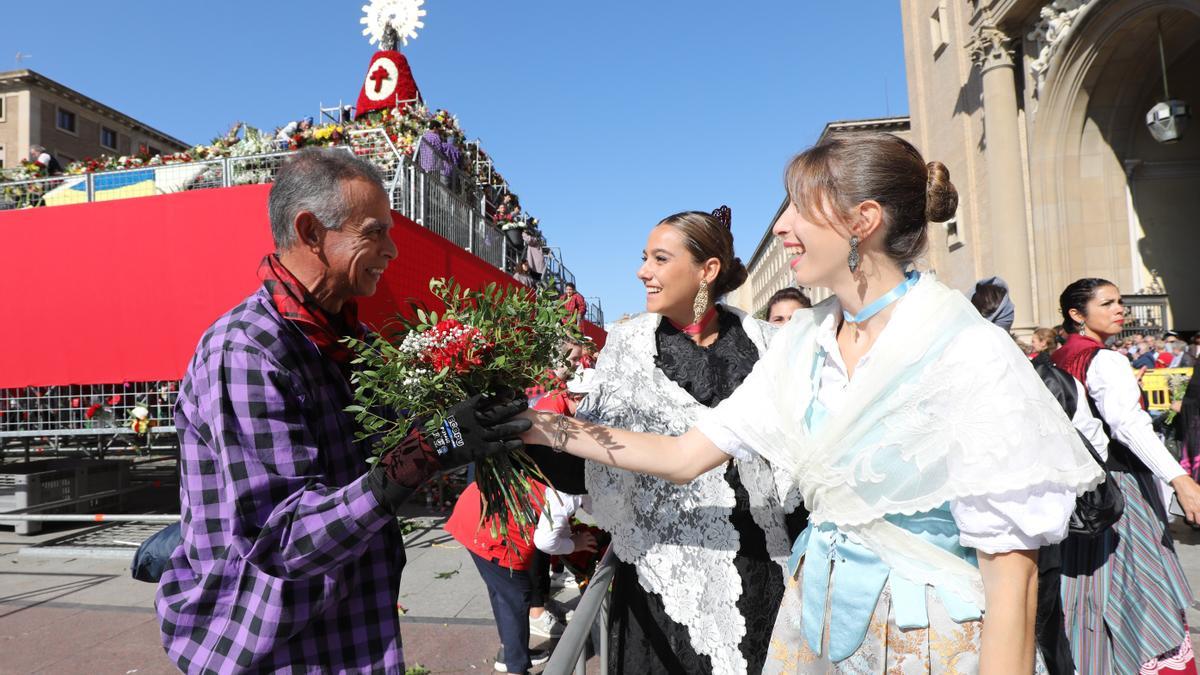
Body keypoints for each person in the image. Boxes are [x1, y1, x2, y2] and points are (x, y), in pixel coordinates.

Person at [518, 133, 1102, 673]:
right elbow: (683, 456)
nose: (781, 228)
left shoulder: (967, 349)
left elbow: (1013, 584)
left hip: (927, 643)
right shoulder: (803, 343)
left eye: (799, 208)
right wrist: (534, 425)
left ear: (862, 222)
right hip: (817, 632)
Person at [155, 148, 530, 673]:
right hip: (273, 645)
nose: (393, 250)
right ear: (310, 232)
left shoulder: (354, 340)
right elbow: (283, 540)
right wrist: (416, 460)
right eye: (375, 232)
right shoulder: (248, 350)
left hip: (350, 630)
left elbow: (395, 446)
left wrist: (467, 403)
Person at [573, 206, 798, 674]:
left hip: (758, 569)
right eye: (644, 258)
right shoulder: (627, 346)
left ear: (707, 270)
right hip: (662, 580)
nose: (642, 272)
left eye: (658, 259)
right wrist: (529, 436)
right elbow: (593, 462)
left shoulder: (767, 342)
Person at [1052, 278, 1200, 675]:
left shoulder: (1055, 359)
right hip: (1121, 491)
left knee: (1086, 591)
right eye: (1108, 303)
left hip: (1079, 496)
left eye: (1120, 302)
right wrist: (1179, 479)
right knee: (1138, 588)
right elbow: (1129, 426)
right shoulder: (1104, 360)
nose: (1121, 309)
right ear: (1076, 314)